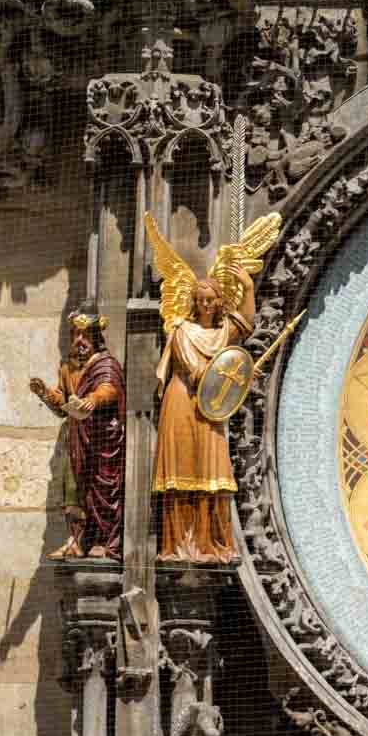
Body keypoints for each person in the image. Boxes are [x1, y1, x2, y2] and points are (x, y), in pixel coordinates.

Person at [144, 211, 281, 563]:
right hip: (183, 401)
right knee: (180, 469)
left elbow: (245, 322)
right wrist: (234, 376)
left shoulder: (223, 332)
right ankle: (177, 545)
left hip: (210, 408)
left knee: (213, 470)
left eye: (211, 299)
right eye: (200, 299)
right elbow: (196, 371)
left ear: (219, 301)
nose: (205, 304)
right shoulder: (181, 331)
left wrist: (247, 286)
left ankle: (211, 544)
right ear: (193, 301)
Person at [30, 310, 126, 559]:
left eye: (85, 335)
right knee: (73, 491)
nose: (79, 340)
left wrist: (94, 398)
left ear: (95, 337)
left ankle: (103, 541)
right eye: (75, 334)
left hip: (101, 441)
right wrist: (46, 394)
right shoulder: (68, 367)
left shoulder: (106, 364)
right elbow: (62, 406)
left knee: (102, 490)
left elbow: (110, 388)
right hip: (76, 439)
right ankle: (77, 540)